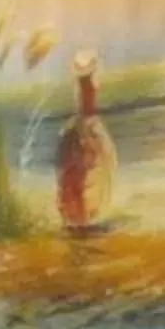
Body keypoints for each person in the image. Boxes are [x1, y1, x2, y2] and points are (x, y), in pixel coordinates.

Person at [56, 51, 119, 236]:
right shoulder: (80, 130)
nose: (94, 87)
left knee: (88, 170)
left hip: (81, 220)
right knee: (84, 171)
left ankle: (82, 218)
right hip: (81, 221)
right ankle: (82, 218)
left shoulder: (83, 129)